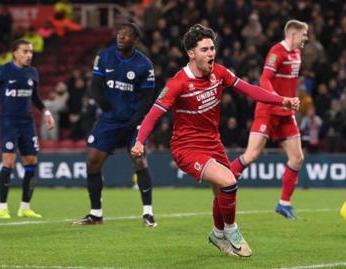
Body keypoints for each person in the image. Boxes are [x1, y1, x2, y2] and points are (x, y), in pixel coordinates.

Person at [131, 24, 299, 257]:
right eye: (204, 49)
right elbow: (153, 114)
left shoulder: (219, 72)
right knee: (229, 182)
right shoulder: (178, 83)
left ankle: (217, 234)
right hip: (187, 148)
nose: (211, 53)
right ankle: (232, 230)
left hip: (213, 143)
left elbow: (249, 89)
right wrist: (140, 141)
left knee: (222, 191)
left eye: (212, 48)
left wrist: (281, 100)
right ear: (191, 53)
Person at [73, 23, 158, 227]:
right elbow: (95, 85)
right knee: (92, 161)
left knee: (139, 159)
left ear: (135, 41)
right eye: (120, 34)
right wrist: (105, 105)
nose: (121, 37)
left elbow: (148, 98)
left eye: (127, 35)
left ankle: (148, 214)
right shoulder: (105, 56)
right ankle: (96, 214)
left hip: (133, 120)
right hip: (109, 119)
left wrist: (135, 120)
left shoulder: (144, 65)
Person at [230, 20, 308, 219]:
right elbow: (264, 79)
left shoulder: (297, 53)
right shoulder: (276, 51)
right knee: (252, 155)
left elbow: (288, 82)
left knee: (297, 158)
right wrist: (279, 99)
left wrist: (290, 100)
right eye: (304, 34)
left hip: (286, 112)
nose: (306, 38)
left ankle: (284, 204)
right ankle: (224, 181)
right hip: (268, 109)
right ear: (293, 34)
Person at [0, 39, 55, 219]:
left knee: (31, 162)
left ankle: (25, 207)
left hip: (28, 123)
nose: (29, 55)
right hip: (9, 122)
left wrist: (46, 112)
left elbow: (35, 97)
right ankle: (3, 207)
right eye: (25, 51)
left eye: (31, 52)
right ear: (15, 53)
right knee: (9, 163)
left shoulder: (33, 72)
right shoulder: (3, 70)